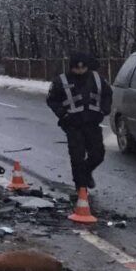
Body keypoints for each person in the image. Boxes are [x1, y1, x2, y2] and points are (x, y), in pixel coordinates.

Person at [46, 52, 112, 191]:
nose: (80, 71)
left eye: (83, 68)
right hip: (72, 125)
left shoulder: (97, 78)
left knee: (98, 155)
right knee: (77, 157)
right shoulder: (61, 81)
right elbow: (52, 100)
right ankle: (80, 188)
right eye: (77, 68)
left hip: (92, 123)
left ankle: (86, 172)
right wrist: (63, 115)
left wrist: (104, 109)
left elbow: (107, 94)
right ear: (71, 67)